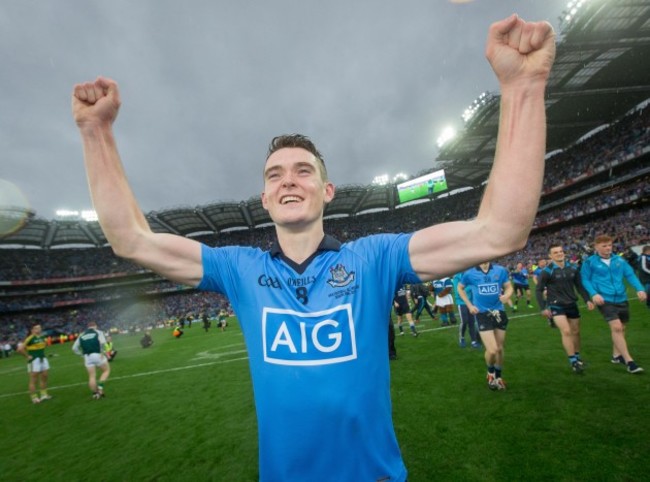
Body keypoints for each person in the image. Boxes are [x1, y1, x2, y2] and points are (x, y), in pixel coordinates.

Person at [72, 15, 555, 481]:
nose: (288, 180)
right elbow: (130, 238)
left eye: (304, 170)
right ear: (265, 199)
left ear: (327, 191)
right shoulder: (238, 269)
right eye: (275, 174)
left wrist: (523, 88)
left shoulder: (374, 259)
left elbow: (500, 231)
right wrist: (96, 133)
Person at [580, 235, 647, 374]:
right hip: (604, 299)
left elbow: (630, 275)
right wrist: (594, 294)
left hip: (621, 298)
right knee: (616, 327)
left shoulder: (619, 260)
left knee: (621, 328)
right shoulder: (590, 262)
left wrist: (640, 288)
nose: (607, 248)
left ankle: (616, 356)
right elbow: (585, 279)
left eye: (609, 245)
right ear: (596, 247)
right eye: (604, 246)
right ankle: (630, 362)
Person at [535, 243, 594, 374]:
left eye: (561, 251)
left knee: (576, 331)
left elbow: (579, 286)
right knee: (566, 331)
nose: (559, 254)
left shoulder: (573, 268)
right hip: (556, 305)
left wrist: (587, 299)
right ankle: (573, 362)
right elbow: (538, 290)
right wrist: (543, 307)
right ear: (550, 256)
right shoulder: (547, 271)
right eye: (556, 252)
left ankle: (577, 357)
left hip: (572, 304)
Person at [458, 262, 513, 390]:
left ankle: (498, 377)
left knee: (499, 348)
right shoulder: (470, 273)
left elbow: (509, 286)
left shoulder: (500, 270)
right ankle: (490, 372)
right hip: (482, 313)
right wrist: (470, 305)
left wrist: (507, 295)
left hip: (499, 312)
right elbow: (460, 288)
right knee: (492, 349)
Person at [72, 321, 111, 399]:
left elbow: (74, 348)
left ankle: (95, 394)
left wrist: (81, 354)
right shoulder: (98, 332)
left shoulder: (82, 334)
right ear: (95, 326)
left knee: (92, 376)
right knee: (106, 371)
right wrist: (104, 353)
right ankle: (100, 388)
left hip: (87, 357)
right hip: (97, 354)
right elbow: (103, 343)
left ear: (88, 326)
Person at [17, 323, 52, 404]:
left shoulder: (42, 337)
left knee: (44, 377)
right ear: (32, 330)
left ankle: (44, 395)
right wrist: (27, 356)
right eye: (36, 328)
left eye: (39, 328)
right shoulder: (30, 338)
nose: (39, 329)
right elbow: (20, 349)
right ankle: (34, 398)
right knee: (33, 380)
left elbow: (43, 346)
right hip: (34, 361)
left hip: (43, 359)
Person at [452, 272, 480, 349]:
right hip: (461, 302)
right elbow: (458, 290)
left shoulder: (470, 275)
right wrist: (469, 288)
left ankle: (474, 341)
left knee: (471, 322)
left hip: (471, 302)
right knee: (464, 321)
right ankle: (462, 338)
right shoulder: (457, 277)